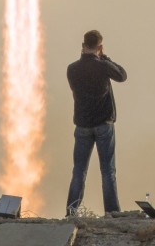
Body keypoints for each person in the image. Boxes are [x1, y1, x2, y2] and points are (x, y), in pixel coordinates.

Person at [65, 30, 127, 216]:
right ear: (99, 47)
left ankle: (71, 211)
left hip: (82, 125)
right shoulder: (103, 66)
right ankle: (112, 212)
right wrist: (105, 58)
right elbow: (122, 75)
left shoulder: (72, 68)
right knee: (107, 171)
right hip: (103, 124)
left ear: (83, 45)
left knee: (79, 171)